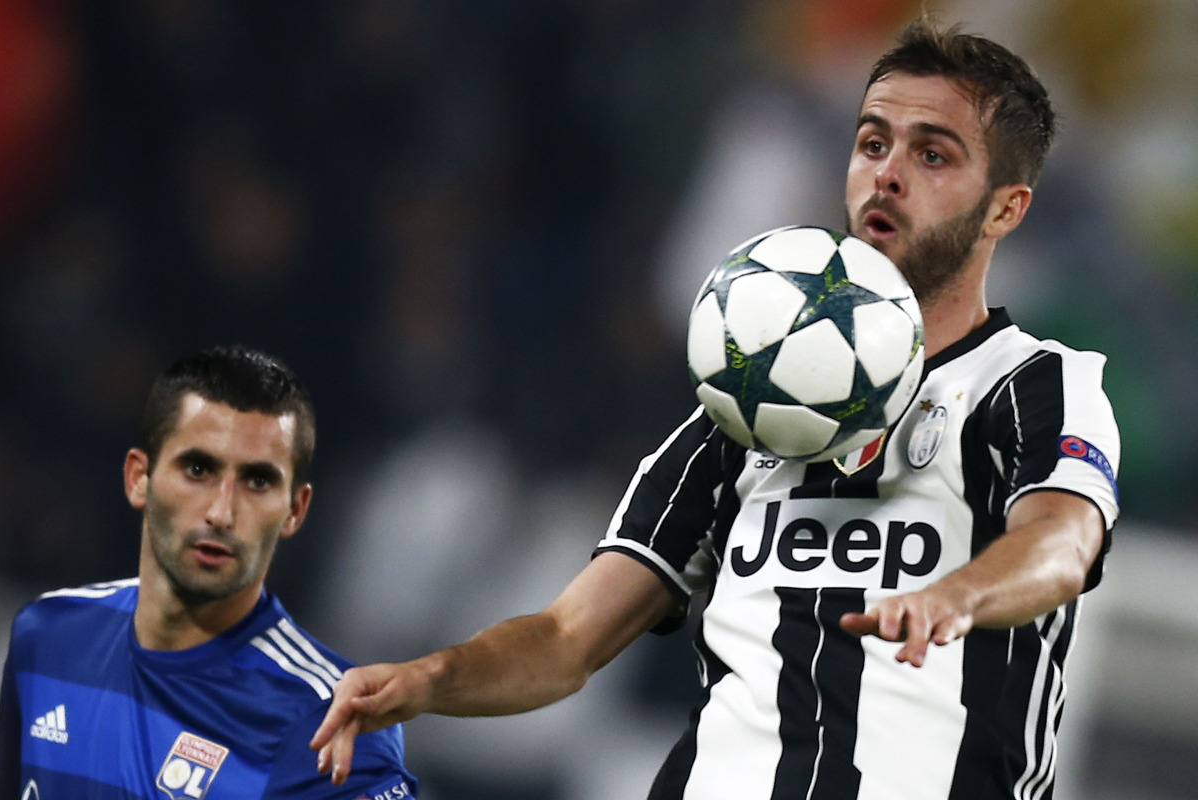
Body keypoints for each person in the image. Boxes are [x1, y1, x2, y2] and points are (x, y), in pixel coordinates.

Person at [311, 19, 1120, 800]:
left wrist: (961, 596)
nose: (887, 174)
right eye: (873, 143)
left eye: (932, 154)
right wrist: (428, 678)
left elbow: (1062, 540)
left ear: (1007, 208)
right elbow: (567, 638)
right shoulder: (744, 405)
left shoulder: (1038, 386)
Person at [0, 346, 418, 798]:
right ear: (139, 477)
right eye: (198, 469)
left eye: (257, 481)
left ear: (295, 510)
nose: (222, 512)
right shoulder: (47, 639)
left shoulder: (327, 722)